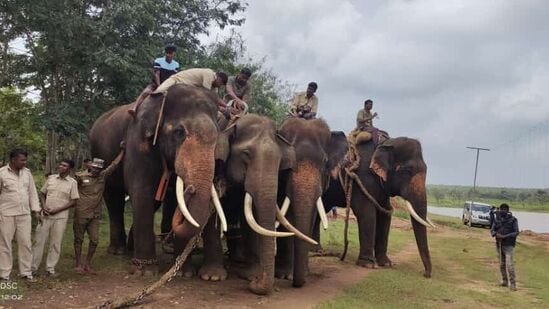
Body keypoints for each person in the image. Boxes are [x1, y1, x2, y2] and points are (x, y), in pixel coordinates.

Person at [73, 143, 125, 274]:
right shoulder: (80, 177)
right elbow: (70, 190)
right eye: (95, 167)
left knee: (95, 240)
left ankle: (88, 264)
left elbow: (114, 165)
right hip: (81, 213)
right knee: (78, 239)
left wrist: (122, 151)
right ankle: (78, 263)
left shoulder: (102, 176)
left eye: (99, 168)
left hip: (95, 215)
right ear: (91, 166)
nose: (96, 170)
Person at [32, 159, 79, 277]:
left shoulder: (72, 183)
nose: (61, 167)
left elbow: (74, 201)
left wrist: (58, 210)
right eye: (61, 164)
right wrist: (43, 207)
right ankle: (32, 268)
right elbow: (42, 193)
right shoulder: (51, 178)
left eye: (64, 165)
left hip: (60, 218)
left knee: (55, 243)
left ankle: (50, 269)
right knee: (38, 241)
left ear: (70, 169)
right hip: (46, 215)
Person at [0, 148, 41, 282]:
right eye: (22, 160)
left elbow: (32, 192)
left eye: (25, 159)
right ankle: (4, 274)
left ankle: (26, 273)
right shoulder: (2, 173)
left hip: (24, 214)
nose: (25, 162)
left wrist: (36, 210)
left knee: (25, 242)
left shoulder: (27, 173)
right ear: (13, 160)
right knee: (5, 243)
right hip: (6, 213)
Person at [129, 44, 180, 116]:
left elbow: (174, 77)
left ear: (173, 54)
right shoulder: (159, 61)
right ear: (165, 53)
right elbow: (157, 74)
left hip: (169, 86)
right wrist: (160, 86)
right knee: (146, 92)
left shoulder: (176, 65)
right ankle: (134, 107)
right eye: (167, 53)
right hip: (156, 84)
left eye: (171, 53)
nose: (169, 55)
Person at [491, 203, 519, 291]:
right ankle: (505, 281)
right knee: (501, 264)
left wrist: (505, 236)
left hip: (509, 245)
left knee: (509, 264)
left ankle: (513, 284)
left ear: (508, 210)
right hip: (499, 244)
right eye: (501, 209)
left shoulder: (513, 220)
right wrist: (496, 234)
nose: (503, 211)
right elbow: (492, 230)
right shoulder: (497, 219)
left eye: (505, 209)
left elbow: (516, 232)